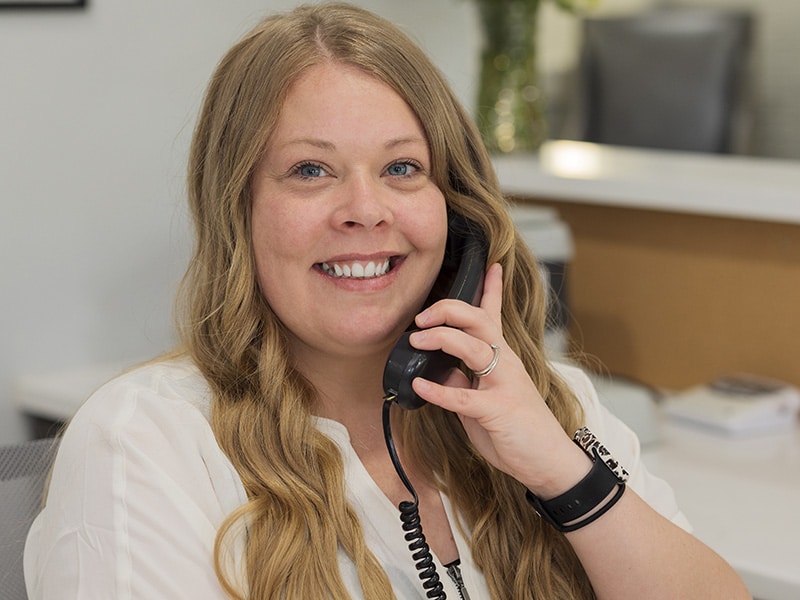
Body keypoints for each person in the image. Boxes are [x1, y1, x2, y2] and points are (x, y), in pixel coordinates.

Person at [25, 3, 750, 599]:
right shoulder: (147, 443)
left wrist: (560, 471)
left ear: (457, 215)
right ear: (237, 211)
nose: (366, 210)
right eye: (311, 170)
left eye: (402, 168)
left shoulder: (549, 406)